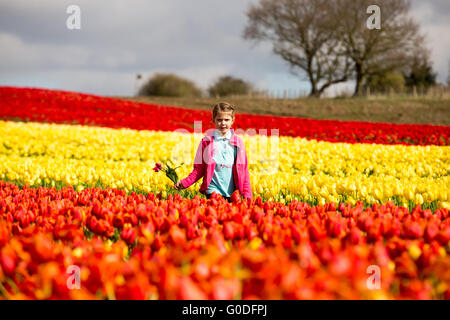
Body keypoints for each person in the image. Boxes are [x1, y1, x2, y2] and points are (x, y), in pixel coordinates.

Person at [174, 102, 252, 202]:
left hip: (232, 193)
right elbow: (199, 169)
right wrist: (184, 183)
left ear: (233, 120)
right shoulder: (206, 142)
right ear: (213, 121)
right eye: (219, 120)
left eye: (226, 120)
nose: (223, 123)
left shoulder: (238, 143)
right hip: (213, 191)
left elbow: (244, 172)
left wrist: (248, 197)